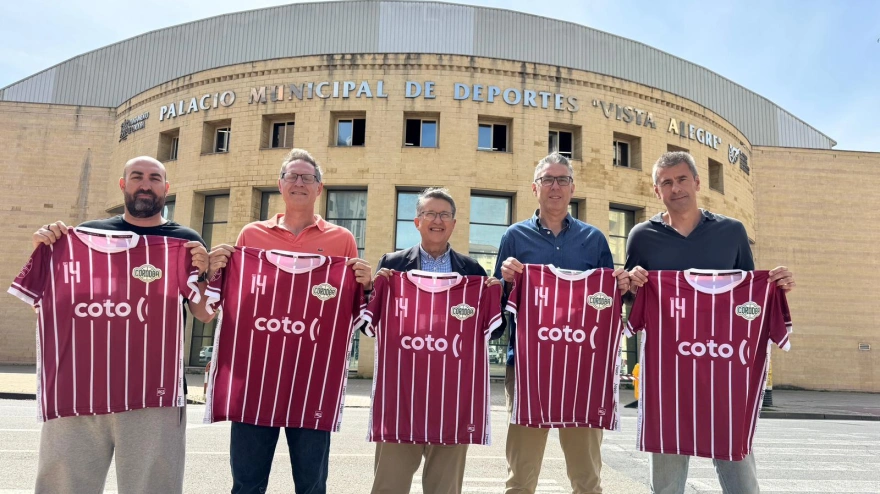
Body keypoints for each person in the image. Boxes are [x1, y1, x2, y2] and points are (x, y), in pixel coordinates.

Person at [28, 156, 213, 494]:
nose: (146, 184)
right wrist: (46, 249)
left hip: (153, 391)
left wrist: (204, 274)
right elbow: (55, 305)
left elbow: (204, 314)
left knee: (152, 487)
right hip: (79, 387)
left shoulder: (184, 241)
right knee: (63, 486)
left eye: (155, 178)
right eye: (137, 176)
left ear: (166, 188)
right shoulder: (84, 235)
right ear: (123, 184)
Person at [625, 151, 795, 494]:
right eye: (666, 183)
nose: (676, 188)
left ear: (697, 182)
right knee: (668, 477)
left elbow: (749, 294)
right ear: (657, 191)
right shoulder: (642, 236)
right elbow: (631, 302)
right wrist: (629, 284)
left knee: (739, 473)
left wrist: (776, 285)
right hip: (669, 376)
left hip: (725, 371)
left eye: (682, 179)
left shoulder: (731, 232)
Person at [207, 148, 372, 494]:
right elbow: (237, 305)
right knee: (247, 484)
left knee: (312, 486)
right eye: (292, 176)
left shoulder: (342, 240)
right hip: (256, 379)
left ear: (319, 189)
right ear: (280, 186)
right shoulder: (250, 235)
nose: (299, 182)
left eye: (307, 178)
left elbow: (353, 311)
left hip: (312, 382)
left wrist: (366, 285)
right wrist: (217, 269)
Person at [495, 152, 630, 494]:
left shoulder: (595, 240)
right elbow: (497, 308)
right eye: (547, 180)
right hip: (528, 369)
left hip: (583, 370)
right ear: (534, 188)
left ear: (573, 188)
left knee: (586, 477)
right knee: (520, 477)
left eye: (562, 180)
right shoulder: (514, 237)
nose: (555, 187)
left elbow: (607, 303)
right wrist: (506, 282)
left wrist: (623, 287)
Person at [370, 187, 500, 494]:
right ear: (417, 221)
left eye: (444, 215)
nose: (437, 220)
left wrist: (495, 295)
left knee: (445, 489)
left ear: (454, 223)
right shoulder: (393, 265)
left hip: (453, 400)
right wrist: (372, 289)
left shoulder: (473, 271)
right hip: (401, 397)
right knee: (388, 486)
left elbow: (490, 332)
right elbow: (371, 326)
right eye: (430, 213)